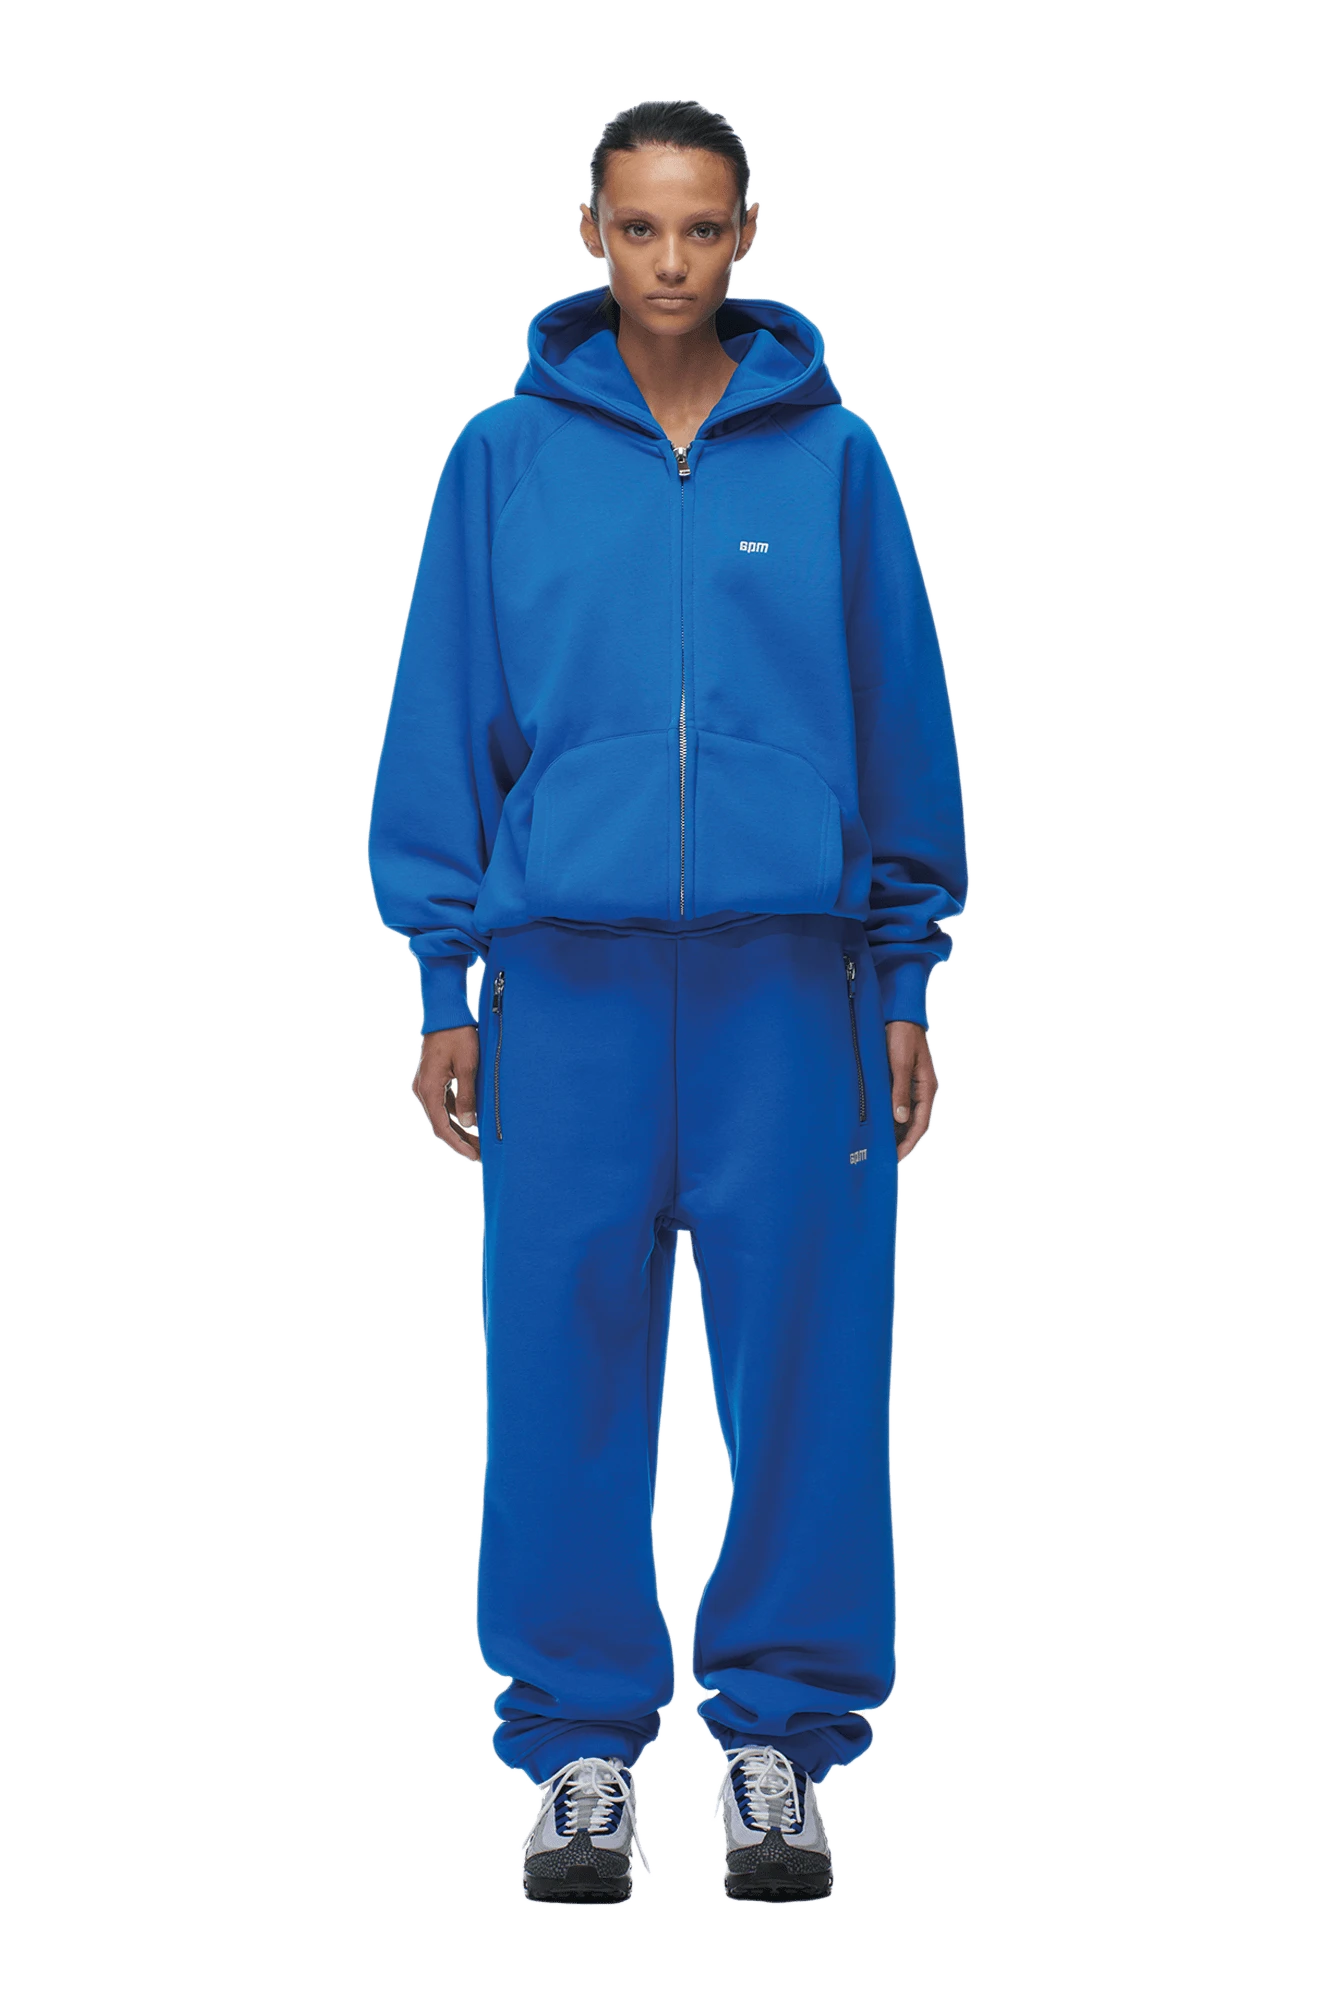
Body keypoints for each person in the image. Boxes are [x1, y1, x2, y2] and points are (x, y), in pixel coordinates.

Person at [366, 99, 969, 1906]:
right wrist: (447, 977)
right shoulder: (502, 460)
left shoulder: (835, 460)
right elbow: (446, 716)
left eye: (702, 229)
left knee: (808, 1368)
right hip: (567, 994)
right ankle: (577, 1750)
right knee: (560, 1367)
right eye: (639, 228)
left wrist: (902, 973)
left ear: (749, 233)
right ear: (591, 233)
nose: (671, 263)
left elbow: (900, 720)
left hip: (795, 989)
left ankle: (782, 1738)